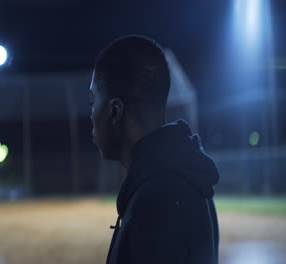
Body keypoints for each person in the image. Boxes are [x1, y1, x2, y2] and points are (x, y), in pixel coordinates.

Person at [89, 35, 220, 264]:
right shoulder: (180, 180)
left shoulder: (156, 202)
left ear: (115, 111)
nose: (91, 115)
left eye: (93, 102)